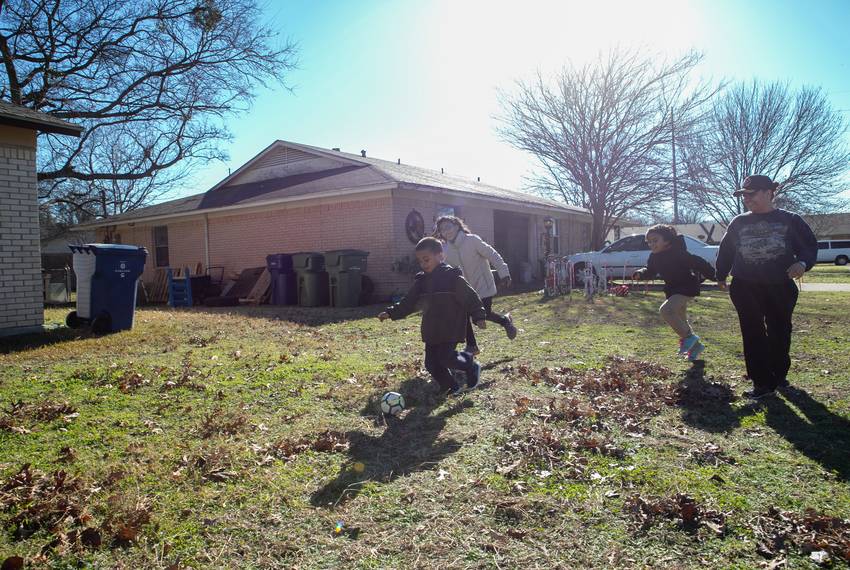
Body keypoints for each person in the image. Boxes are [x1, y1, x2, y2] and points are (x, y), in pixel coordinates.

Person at [715, 175, 818, 400]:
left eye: (751, 194)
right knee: (752, 332)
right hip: (745, 285)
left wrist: (802, 263)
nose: (747, 199)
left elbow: (809, 246)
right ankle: (761, 383)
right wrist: (720, 274)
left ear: (769, 192)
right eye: (744, 195)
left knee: (780, 331)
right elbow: (726, 251)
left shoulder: (791, 219)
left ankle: (778, 376)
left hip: (780, 286)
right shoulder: (738, 222)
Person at [378, 237, 486, 395]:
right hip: (431, 328)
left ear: (441, 256)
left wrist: (479, 315)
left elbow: (470, 297)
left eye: (426, 259)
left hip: (451, 326)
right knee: (431, 364)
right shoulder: (422, 281)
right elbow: (408, 301)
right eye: (420, 261)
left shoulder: (452, 277)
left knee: (445, 357)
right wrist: (390, 312)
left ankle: (470, 364)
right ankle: (451, 386)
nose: (423, 264)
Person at [632, 224, 717, 362]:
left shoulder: (679, 253)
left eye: (655, 240)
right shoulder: (654, 256)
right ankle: (696, 347)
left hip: (686, 288)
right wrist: (641, 273)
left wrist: (716, 277)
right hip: (672, 289)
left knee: (666, 310)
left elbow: (699, 263)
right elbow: (650, 270)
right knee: (681, 320)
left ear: (667, 241)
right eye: (649, 242)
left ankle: (690, 338)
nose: (652, 244)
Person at [434, 216, 518, 356]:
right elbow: (445, 269)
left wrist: (504, 272)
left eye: (448, 227)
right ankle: (472, 346)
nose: (446, 231)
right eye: (442, 229)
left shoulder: (472, 240)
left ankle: (505, 320)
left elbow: (493, 255)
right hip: (464, 290)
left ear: (456, 226)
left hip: (482, 286)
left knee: (483, 315)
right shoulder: (446, 249)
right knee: (462, 315)